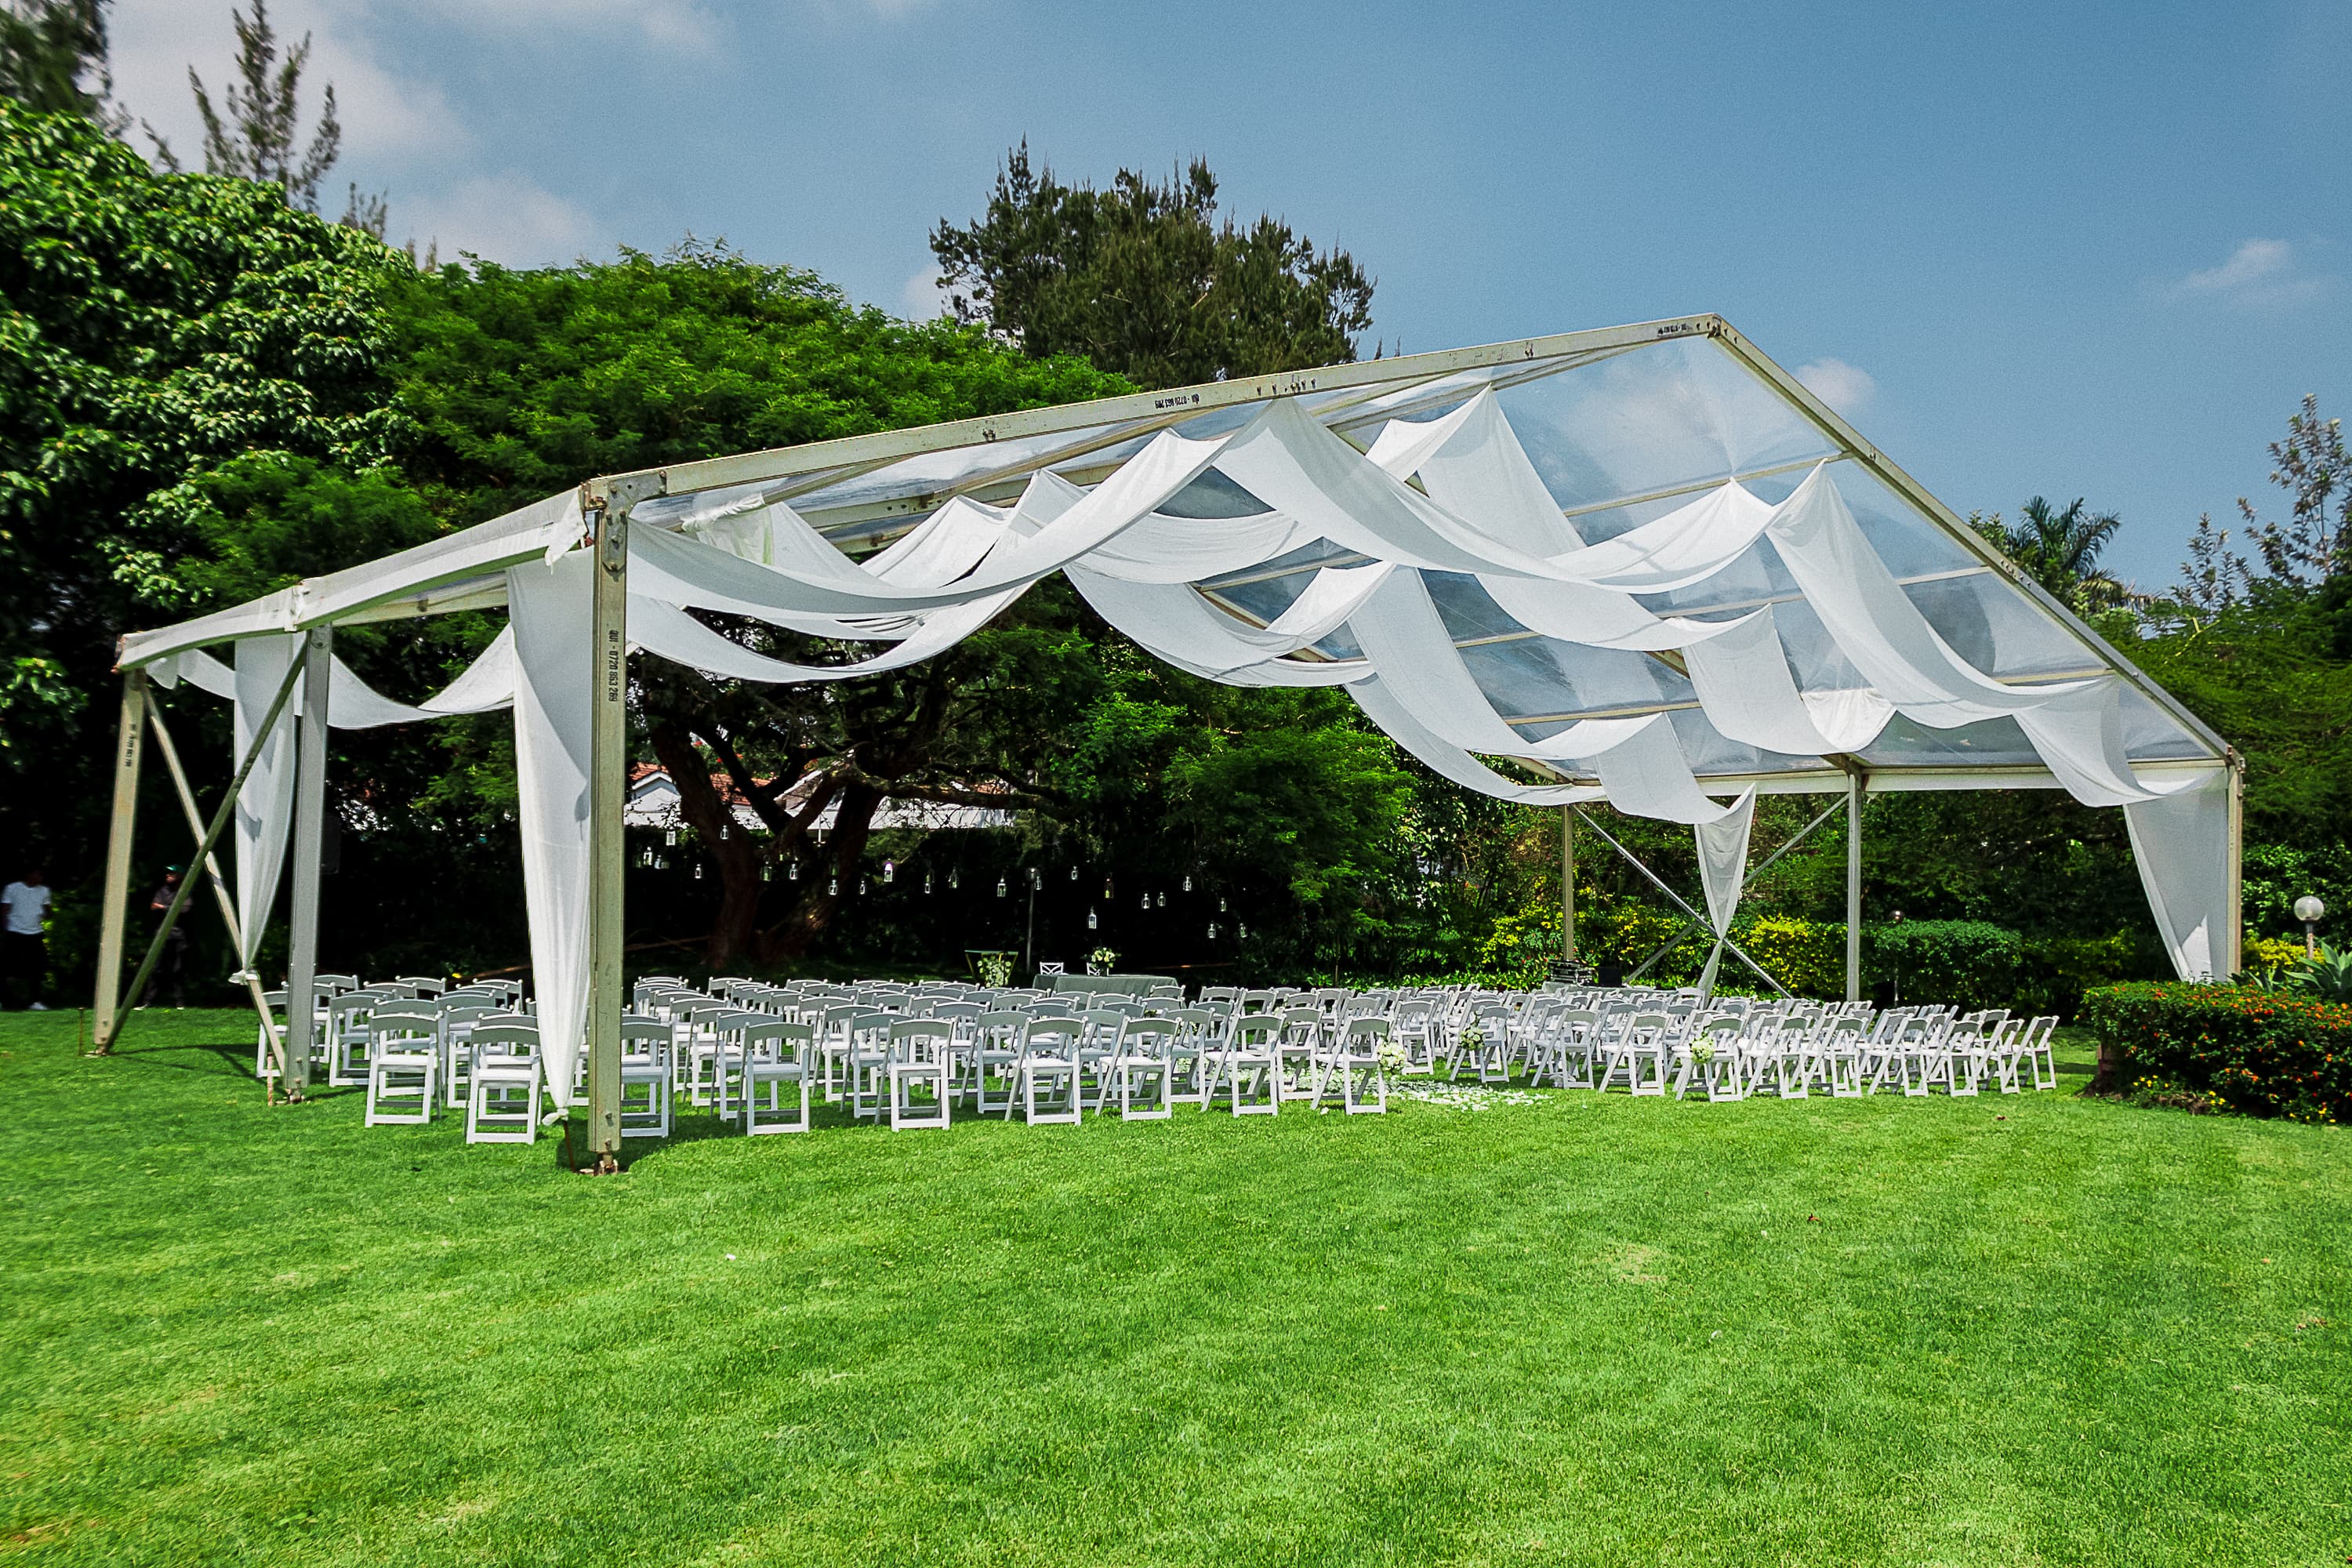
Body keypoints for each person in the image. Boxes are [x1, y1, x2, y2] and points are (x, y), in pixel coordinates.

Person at [2, 866, 50, 1011]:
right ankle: (5, 1000)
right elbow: (4, 910)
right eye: (38, 875)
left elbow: (47, 910)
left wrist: (44, 914)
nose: (40, 878)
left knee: (37, 968)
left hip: (35, 933)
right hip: (15, 932)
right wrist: (6, 929)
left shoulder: (44, 891)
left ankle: (35, 1001)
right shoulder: (12, 888)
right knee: (7, 968)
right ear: (30, 874)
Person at [140, 866, 189, 1008]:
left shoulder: (184, 892)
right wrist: (170, 907)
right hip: (161, 935)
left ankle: (180, 1002)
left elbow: (184, 910)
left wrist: (163, 907)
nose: (168, 875)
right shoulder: (162, 891)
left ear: (179, 876)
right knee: (155, 968)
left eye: (172, 873)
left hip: (178, 936)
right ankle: (148, 1002)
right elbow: (153, 907)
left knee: (177, 970)